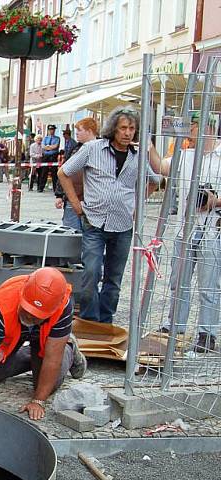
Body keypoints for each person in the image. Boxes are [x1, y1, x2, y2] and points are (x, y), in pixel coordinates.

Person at [58, 106, 160, 324]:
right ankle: (89, 320)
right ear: (113, 128)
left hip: (123, 225)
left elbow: (154, 181)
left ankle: (105, 321)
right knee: (91, 273)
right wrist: (76, 205)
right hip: (94, 222)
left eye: (132, 128)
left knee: (114, 278)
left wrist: (136, 205)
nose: (127, 132)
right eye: (123, 127)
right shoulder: (92, 148)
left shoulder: (137, 155)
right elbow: (63, 173)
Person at [0, 268, 87, 423]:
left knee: (48, 384)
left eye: (36, 316)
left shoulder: (62, 306)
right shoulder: (3, 303)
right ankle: (34, 356)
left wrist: (38, 401)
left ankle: (68, 347)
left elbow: (52, 360)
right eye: (27, 309)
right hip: (13, 335)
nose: (29, 316)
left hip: (46, 336)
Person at [149, 112, 221, 352]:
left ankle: (207, 333)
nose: (189, 132)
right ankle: (174, 325)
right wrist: (149, 143)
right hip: (185, 228)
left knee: (209, 284)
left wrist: (214, 201)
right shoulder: (185, 155)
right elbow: (160, 167)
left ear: (206, 128)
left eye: (192, 127)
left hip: (213, 229)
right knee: (178, 281)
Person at [55, 118, 99, 231]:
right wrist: (59, 195)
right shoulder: (76, 148)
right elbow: (64, 171)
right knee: (70, 235)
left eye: (79, 130)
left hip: (93, 203)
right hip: (72, 199)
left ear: (89, 131)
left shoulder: (102, 149)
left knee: (91, 238)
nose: (77, 133)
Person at [38, 125, 61, 193]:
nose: (51, 131)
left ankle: (55, 188)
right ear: (48, 130)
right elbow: (43, 146)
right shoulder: (45, 138)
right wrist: (49, 147)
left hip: (53, 155)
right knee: (44, 172)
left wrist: (48, 147)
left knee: (54, 172)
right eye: (50, 129)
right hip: (46, 156)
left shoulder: (57, 138)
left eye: (53, 129)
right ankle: (41, 187)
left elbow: (55, 146)